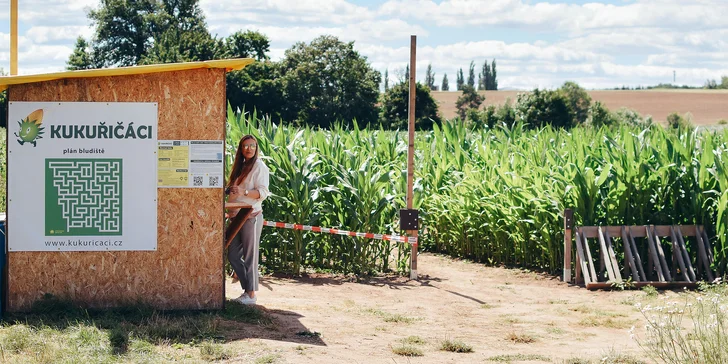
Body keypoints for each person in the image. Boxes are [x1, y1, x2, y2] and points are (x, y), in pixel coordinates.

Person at [226, 135, 270, 305]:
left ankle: (251, 294)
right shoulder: (240, 166)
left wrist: (243, 193)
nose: (249, 149)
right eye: (245, 146)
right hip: (237, 217)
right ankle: (247, 290)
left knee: (251, 255)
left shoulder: (259, 166)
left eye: (252, 145)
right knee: (233, 255)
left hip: (251, 216)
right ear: (241, 148)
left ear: (256, 147)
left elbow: (263, 193)